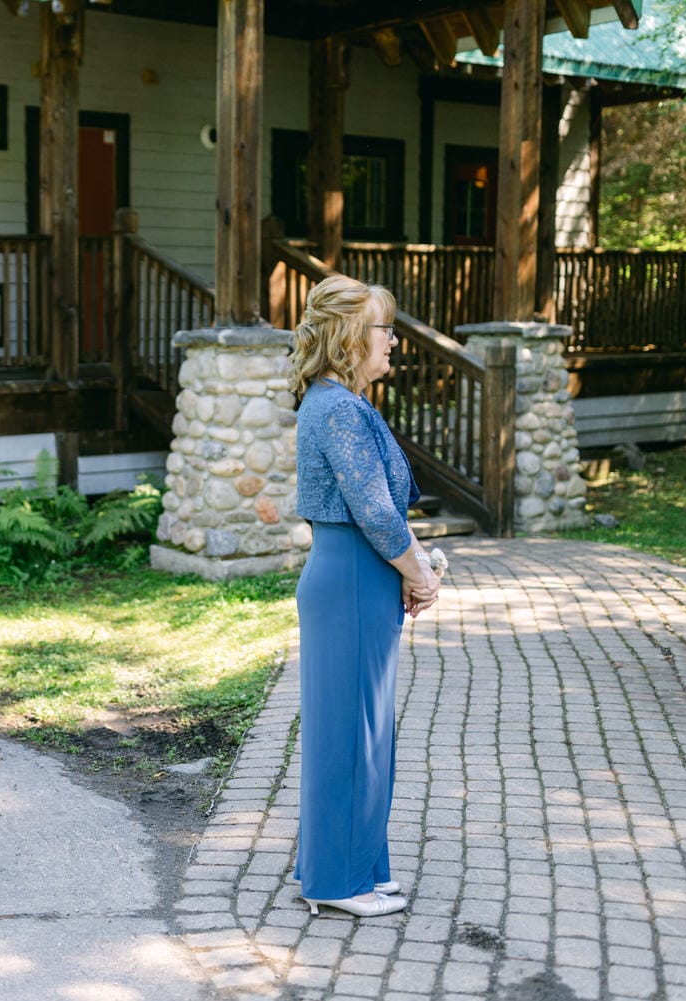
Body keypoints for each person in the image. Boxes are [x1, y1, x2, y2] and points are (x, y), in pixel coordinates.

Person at [290, 274, 440, 918]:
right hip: (351, 575)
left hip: (361, 576)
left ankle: (362, 866)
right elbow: (376, 514)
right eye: (385, 329)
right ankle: (334, 882)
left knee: (368, 729)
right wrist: (420, 573)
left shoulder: (346, 404)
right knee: (350, 730)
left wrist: (414, 562)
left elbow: (380, 513)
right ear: (350, 337)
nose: (393, 342)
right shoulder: (336, 409)